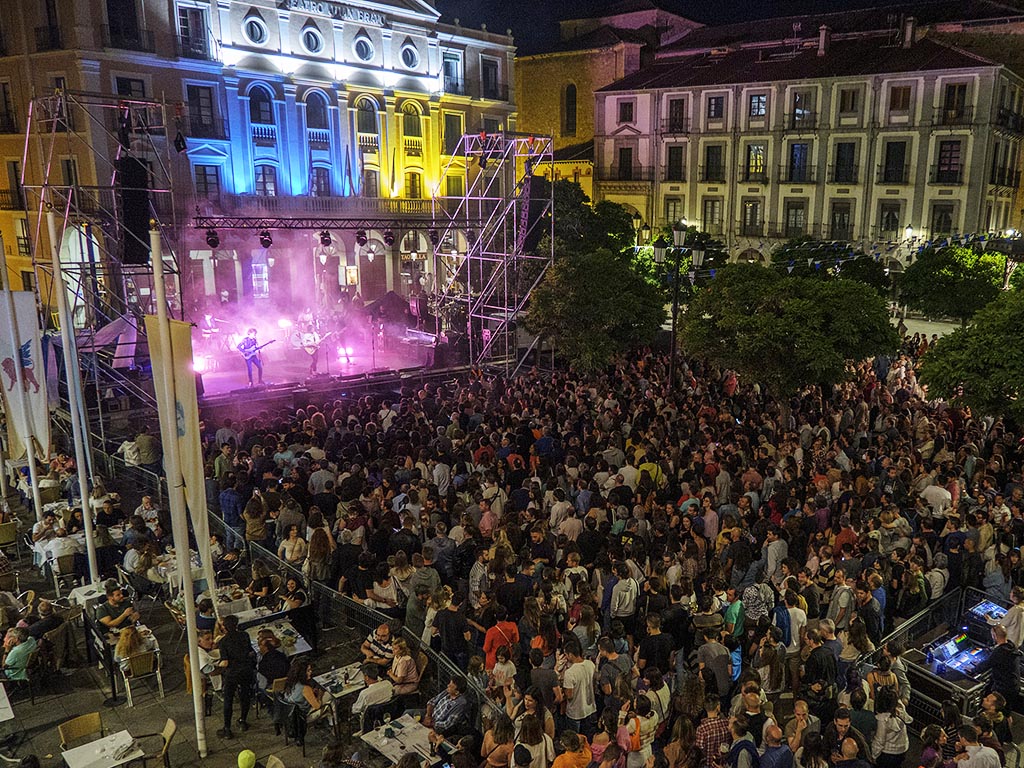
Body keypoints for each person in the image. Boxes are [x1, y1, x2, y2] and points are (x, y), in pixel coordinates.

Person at [216, 614, 256, 738]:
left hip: (232, 673)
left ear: (225, 627)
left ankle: (227, 728)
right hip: (246, 670)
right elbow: (250, 651)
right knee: (245, 695)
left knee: (228, 699)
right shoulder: (245, 635)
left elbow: (225, 661)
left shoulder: (223, 641)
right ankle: (243, 720)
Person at [976, 623, 1021, 712]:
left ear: (994, 636)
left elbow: (984, 666)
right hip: (1014, 686)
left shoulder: (999, 652)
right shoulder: (1011, 646)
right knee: (1007, 712)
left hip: (1004, 688)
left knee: (996, 711)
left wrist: (973, 669)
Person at [870, 685, 912, 768]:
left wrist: (874, 755)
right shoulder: (901, 708)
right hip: (903, 749)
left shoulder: (883, 719)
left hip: (888, 754)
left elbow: (880, 741)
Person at [562, 639, 597, 736]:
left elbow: (569, 695)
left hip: (575, 713)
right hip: (590, 708)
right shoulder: (590, 664)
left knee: (574, 740)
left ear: (570, 655)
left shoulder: (570, 672)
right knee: (588, 738)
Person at [695, 693, 732, 768]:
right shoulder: (727, 724)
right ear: (718, 706)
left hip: (708, 765)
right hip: (723, 764)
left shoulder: (701, 729)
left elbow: (698, 752)